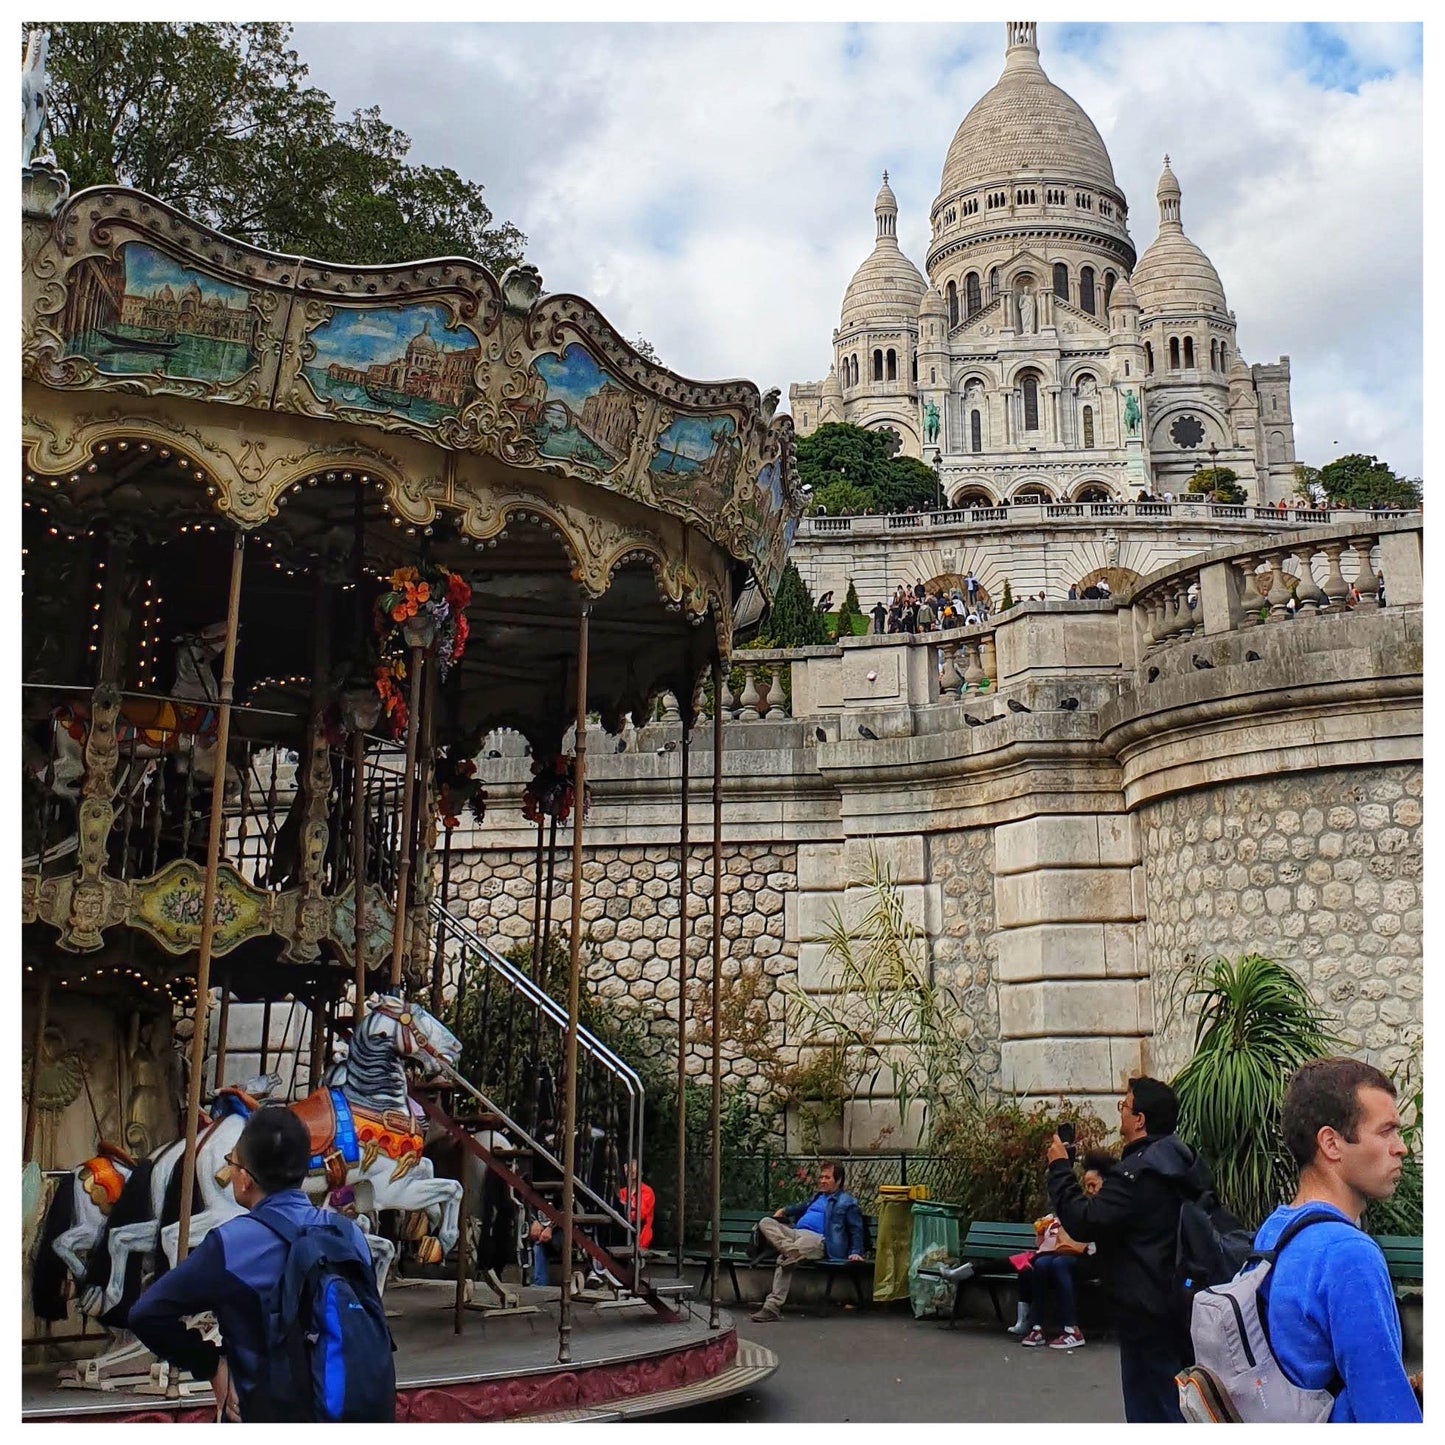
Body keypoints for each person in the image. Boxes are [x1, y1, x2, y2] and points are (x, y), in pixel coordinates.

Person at [127, 1107, 384, 1423]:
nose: (231, 1171)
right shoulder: (349, 1235)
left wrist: (211, 1364)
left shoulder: (231, 1245)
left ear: (246, 1179)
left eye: (232, 1163)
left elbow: (145, 1314)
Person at [1252, 1057, 1421, 1422]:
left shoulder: (1278, 1229)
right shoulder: (1349, 1254)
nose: (1400, 1147)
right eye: (1386, 1131)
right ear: (1331, 1143)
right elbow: (1385, 1415)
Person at [1046, 1076, 1212, 1423]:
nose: (1120, 1111)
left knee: (1151, 1408)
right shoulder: (1184, 1163)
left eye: (1124, 1105)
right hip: (1180, 1298)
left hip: (1143, 1307)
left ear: (1140, 1120)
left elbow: (1084, 1219)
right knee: (1179, 1400)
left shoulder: (1135, 1174)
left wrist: (1060, 1169)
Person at [750, 1161, 864, 1322]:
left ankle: (772, 1307)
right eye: (821, 1177)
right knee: (765, 1222)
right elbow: (799, 1207)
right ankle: (791, 1251)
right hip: (795, 1233)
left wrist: (856, 1252)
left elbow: (856, 1229)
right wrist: (784, 1211)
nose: (822, 1181)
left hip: (817, 1240)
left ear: (838, 1181)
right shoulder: (817, 1197)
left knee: (784, 1259)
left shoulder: (847, 1202)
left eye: (827, 1177)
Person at [618, 1159, 655, 1252]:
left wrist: (625, 1205)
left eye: (633, 1169)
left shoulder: (647, 1191)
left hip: (640, 1240)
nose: (630, 1171)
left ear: (641, 1172)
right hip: (622, 1238)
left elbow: (640, 1215)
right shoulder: (622, 1192)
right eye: (628, 1169)